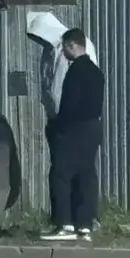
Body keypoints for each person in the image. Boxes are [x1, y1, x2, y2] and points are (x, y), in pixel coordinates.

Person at [43, 27, 105, 243]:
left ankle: (64, 223)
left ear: (72, 45)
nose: (63, 53)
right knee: (86, 175)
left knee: (60, 174)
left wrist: (60, 125)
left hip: (73, 129)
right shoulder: (96, 71)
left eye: (64, 48)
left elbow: (69, 104)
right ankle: (85, 224)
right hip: (93, 128)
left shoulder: (75, 72)